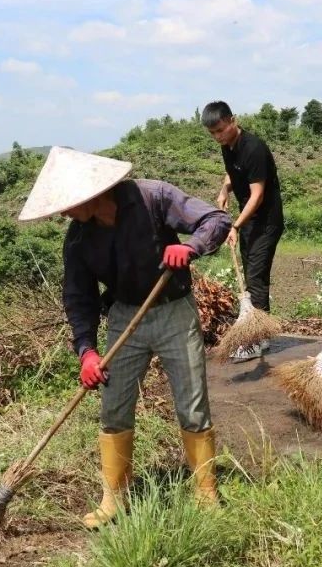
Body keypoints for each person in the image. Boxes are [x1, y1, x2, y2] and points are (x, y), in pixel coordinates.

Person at [18, 147, 231, 528]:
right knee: (113, 406)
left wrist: (189, 246)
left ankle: (206, 490)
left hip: (172, 311)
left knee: (191, 401)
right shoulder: (79, 240)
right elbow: (78, 297)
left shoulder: (153, 197)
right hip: (124, 315)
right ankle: (114, 497)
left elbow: (216, 219)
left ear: (92, 193)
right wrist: (86, 351)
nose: (63, 213)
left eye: (68, 204)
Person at [202, 101, 284, 362]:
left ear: (233, 120)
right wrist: (225, 189)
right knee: (251, 275)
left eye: (221, 130)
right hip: (249, 221)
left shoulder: (254, 148)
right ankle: (263, 334)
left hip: (266, 221)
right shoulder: (228, 147)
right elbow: (232, 174)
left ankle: (256, 340)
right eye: (213, 133)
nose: (218, 137)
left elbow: (257, 195)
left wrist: (234, 225)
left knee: (256, 277)